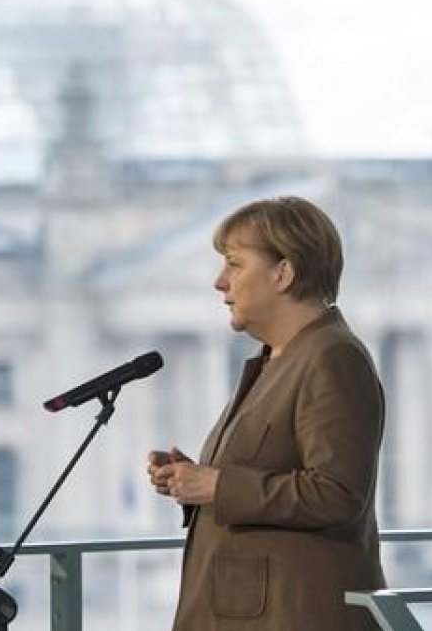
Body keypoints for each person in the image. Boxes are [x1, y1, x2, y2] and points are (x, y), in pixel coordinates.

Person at [146, 196, 386, 631]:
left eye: (235, 264)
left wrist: (218, 484)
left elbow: (337, 495)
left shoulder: (332, 357)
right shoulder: (277, 359)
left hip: (294, 616)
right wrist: (192, 479)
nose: (220, 282)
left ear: (283, 272)